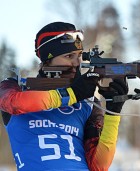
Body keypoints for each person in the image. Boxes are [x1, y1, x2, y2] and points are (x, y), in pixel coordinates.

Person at [0, 22, 127, 171]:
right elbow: (14, 103)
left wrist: (114, 112)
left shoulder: (88, 103)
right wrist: (71, 94)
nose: (77, 63)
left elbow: (99, 165)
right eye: (69, 56)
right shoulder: (15, 88)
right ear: (48, 59)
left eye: (79, 56)